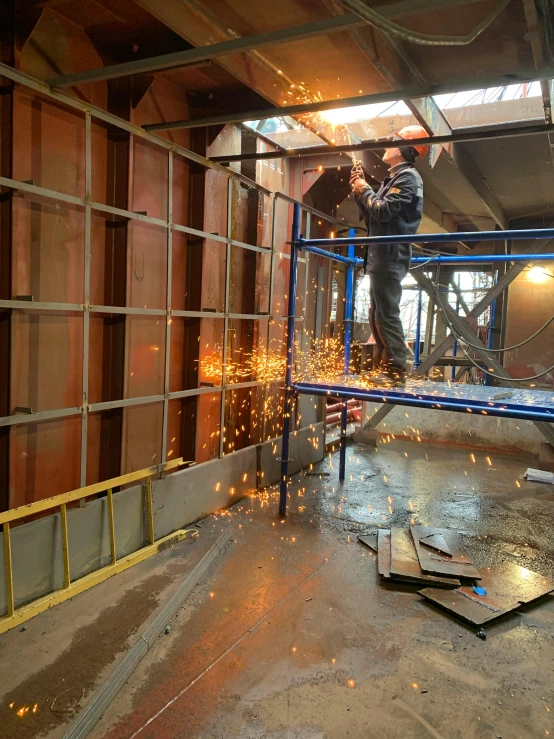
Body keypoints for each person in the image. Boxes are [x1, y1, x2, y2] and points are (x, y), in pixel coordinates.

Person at [350, 125, 430, 385]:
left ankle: (396, 371)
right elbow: (373, 214)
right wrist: (359, 191)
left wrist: (365, 190)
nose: (387, 146)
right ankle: (385, 367)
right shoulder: (393, 179)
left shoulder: (409, 178)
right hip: (379, 256)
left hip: (390, 256)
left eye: (393, 143)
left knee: (387, 313)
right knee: (377, 313)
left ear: (404, 150)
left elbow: (383, 212)